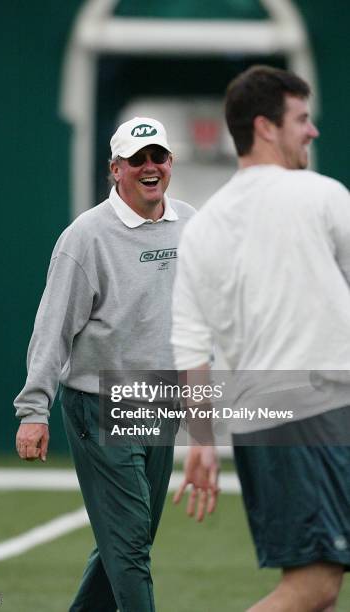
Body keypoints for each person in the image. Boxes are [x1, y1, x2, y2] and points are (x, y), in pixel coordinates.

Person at [171, 65, 350, 611]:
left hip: (266, 423)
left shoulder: (202, 227)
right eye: (302, 119)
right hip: (320, 415)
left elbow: (189, 344)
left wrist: (201, 440)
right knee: (314, 586)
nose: (312, 131)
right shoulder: (322, 195)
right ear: (266, 127)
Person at [14, 116, 194, 612]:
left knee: (126, 543)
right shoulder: (86, 237)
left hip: (160, 401)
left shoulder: (192, 224)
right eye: (136, 160)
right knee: (131, 546)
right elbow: (52, 328)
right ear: (115, 169)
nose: (149, 167)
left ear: (170, 163)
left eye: (157, 156)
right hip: (98, 403)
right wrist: (34, 410)